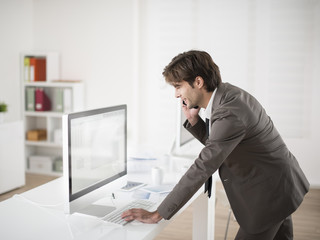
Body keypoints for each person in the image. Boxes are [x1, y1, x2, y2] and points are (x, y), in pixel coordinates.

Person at [121, 50, 309, 239]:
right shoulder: (227, 95)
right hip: (280, 184)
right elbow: (223, 145)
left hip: (270, 194)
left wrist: (158, 213)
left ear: (198, 82)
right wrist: (194, 121)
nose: (176, 94)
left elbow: (204, 166)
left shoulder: (229, 112)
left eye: (178, 86)